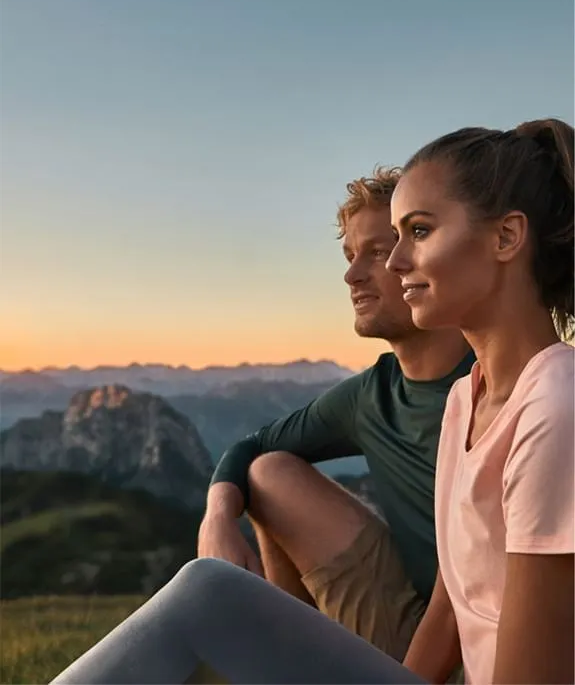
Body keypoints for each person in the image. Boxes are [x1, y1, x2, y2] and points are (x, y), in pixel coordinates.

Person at [51, 117, 574, 685]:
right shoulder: (465, 400)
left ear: (506, 237)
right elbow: (453, 610)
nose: (394, 263)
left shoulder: (553, 406)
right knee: (220, 565)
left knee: (207, 593)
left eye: (419, 232)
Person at [198, 167, 473, 662]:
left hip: (482, 645)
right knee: (269, 472)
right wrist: (217, 519)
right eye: (350, 256)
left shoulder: (495, 385)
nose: (352, 276)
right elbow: (251, 448)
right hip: (416, 615)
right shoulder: (371, 395)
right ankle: (290, 664)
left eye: (376, 252)